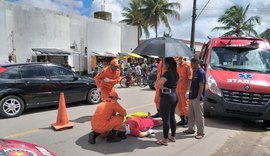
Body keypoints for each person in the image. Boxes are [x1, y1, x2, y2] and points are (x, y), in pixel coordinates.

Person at [156, 58, 179, 146]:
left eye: (165, 63)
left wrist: (162, 87)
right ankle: (173, 136)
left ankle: (165, 140)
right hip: (174, 96)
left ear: (168, 64)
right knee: (172, 117)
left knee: (165, 119)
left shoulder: (167, 73)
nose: (164, 65)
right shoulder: (176, 73)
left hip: (167, 97)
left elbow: (160, 83)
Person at [183, 57, 206, 139]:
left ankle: (201, 132)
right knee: (191, 114)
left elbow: (201, 86)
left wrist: (198, 98)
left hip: (197, 98)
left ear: (196, 62)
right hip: (192, 97)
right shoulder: (195, 71)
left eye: (192, 63)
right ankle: (191, 129)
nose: (191, 65)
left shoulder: (201, 72)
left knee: (199, 116)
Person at [175, 57, 193, 127]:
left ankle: (189, 122)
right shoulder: (177, 67)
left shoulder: (187, 66)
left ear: (181, 58)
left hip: (185, 90)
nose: (176, 61)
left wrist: (188, 90)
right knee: (179, 106)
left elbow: (190, 79)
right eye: (175, 60)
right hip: (178, 89)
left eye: (177, 59)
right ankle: (183, 120)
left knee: (186, 106)